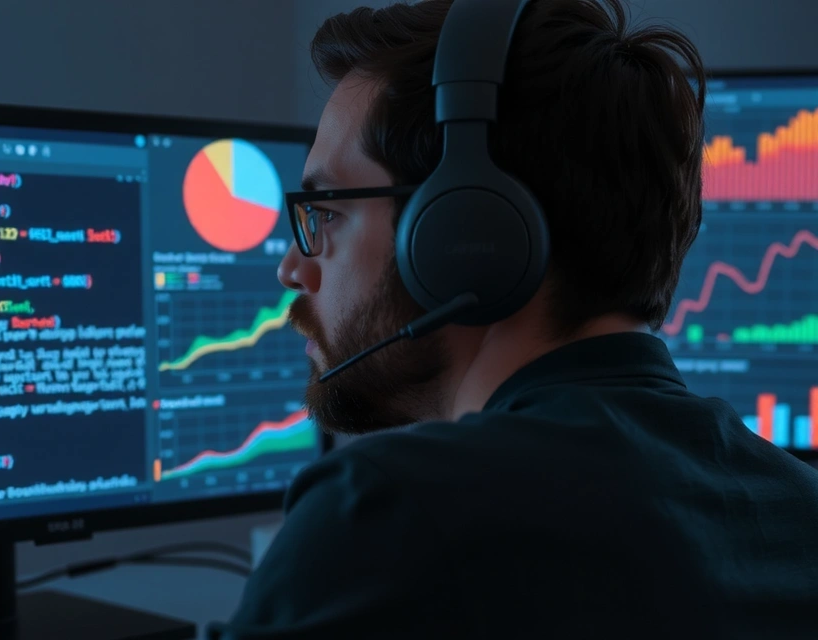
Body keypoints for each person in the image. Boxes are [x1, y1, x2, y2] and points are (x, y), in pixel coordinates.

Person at [210, 0, 818, 637]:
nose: (292, 268)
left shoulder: (388, 518)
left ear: (462, 233)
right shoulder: (798, 509)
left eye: (325, 213)